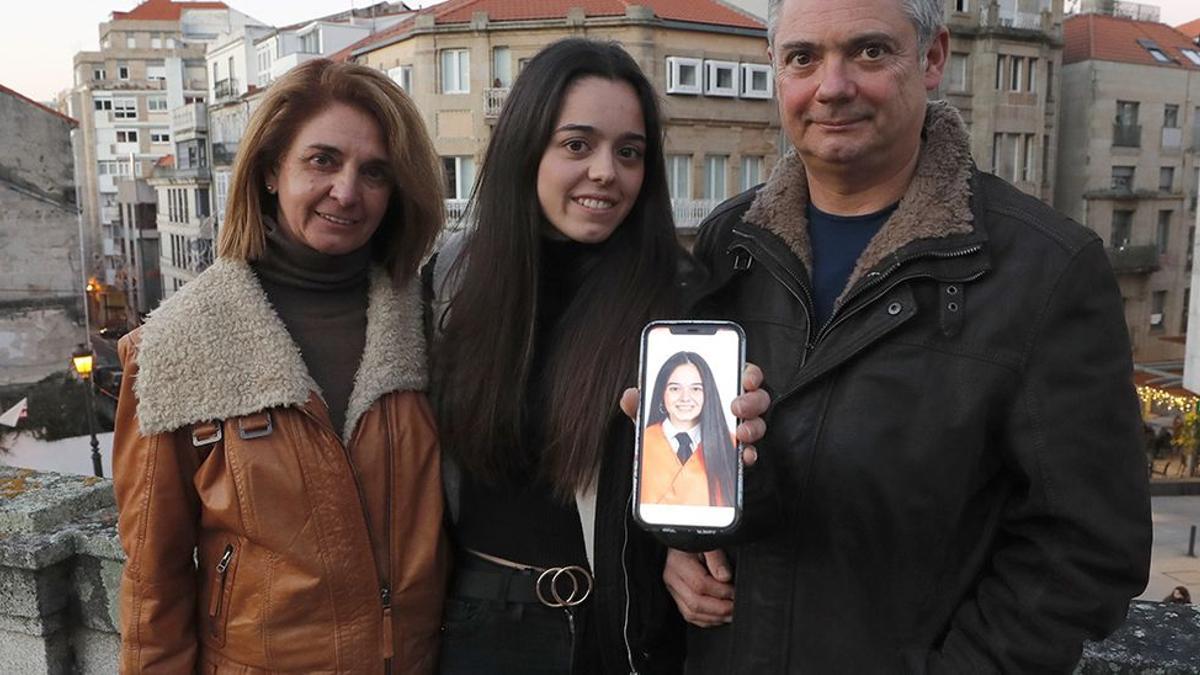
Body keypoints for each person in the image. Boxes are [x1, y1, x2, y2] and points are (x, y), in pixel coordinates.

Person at [662, 0, 1153, 672]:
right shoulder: (732, 241)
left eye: (868, 52)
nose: (832, 87)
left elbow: (1088, 548)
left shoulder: (1046, 269)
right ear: (774, 70)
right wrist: (683, 540)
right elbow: (724, 468)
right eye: (803, 58)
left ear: (932, 59)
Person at [427, 39, 767, 674]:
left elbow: (696, 490)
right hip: (471, 627)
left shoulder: (681, 302)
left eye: (629, 152)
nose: (607, 172)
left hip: (615, 632)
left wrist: (695, 538)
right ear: (528, 148)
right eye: (577, 145)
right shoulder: (451, 284)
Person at [111, 59, 448, 673]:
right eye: (322, 161)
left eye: (374, 172)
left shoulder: (430, 323)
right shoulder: (178, 343)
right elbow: (153, 583)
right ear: (270, 170)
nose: (347, 192)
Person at [640, 351, 737, 507]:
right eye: (675, 389)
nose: (685, 398)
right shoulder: (641, 442)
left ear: (708, 394)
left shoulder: (731, 444)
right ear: (662, 393)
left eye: (696, 389)